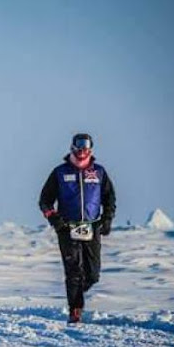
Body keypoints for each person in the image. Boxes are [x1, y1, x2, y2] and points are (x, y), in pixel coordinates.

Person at [39, 134, 116, 323]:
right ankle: (75, 310)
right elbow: (45, 201)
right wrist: (55, 219)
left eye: (86, 147)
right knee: (73, 271)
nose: (82, 151)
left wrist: (107, 220)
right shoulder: (60, 172)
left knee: (92, 274)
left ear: (91, 150)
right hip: (67, 228)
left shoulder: (99, 172)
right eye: (79, 147)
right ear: (72, 148)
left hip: (91, 227)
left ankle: (78, 293)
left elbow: (109, 199)